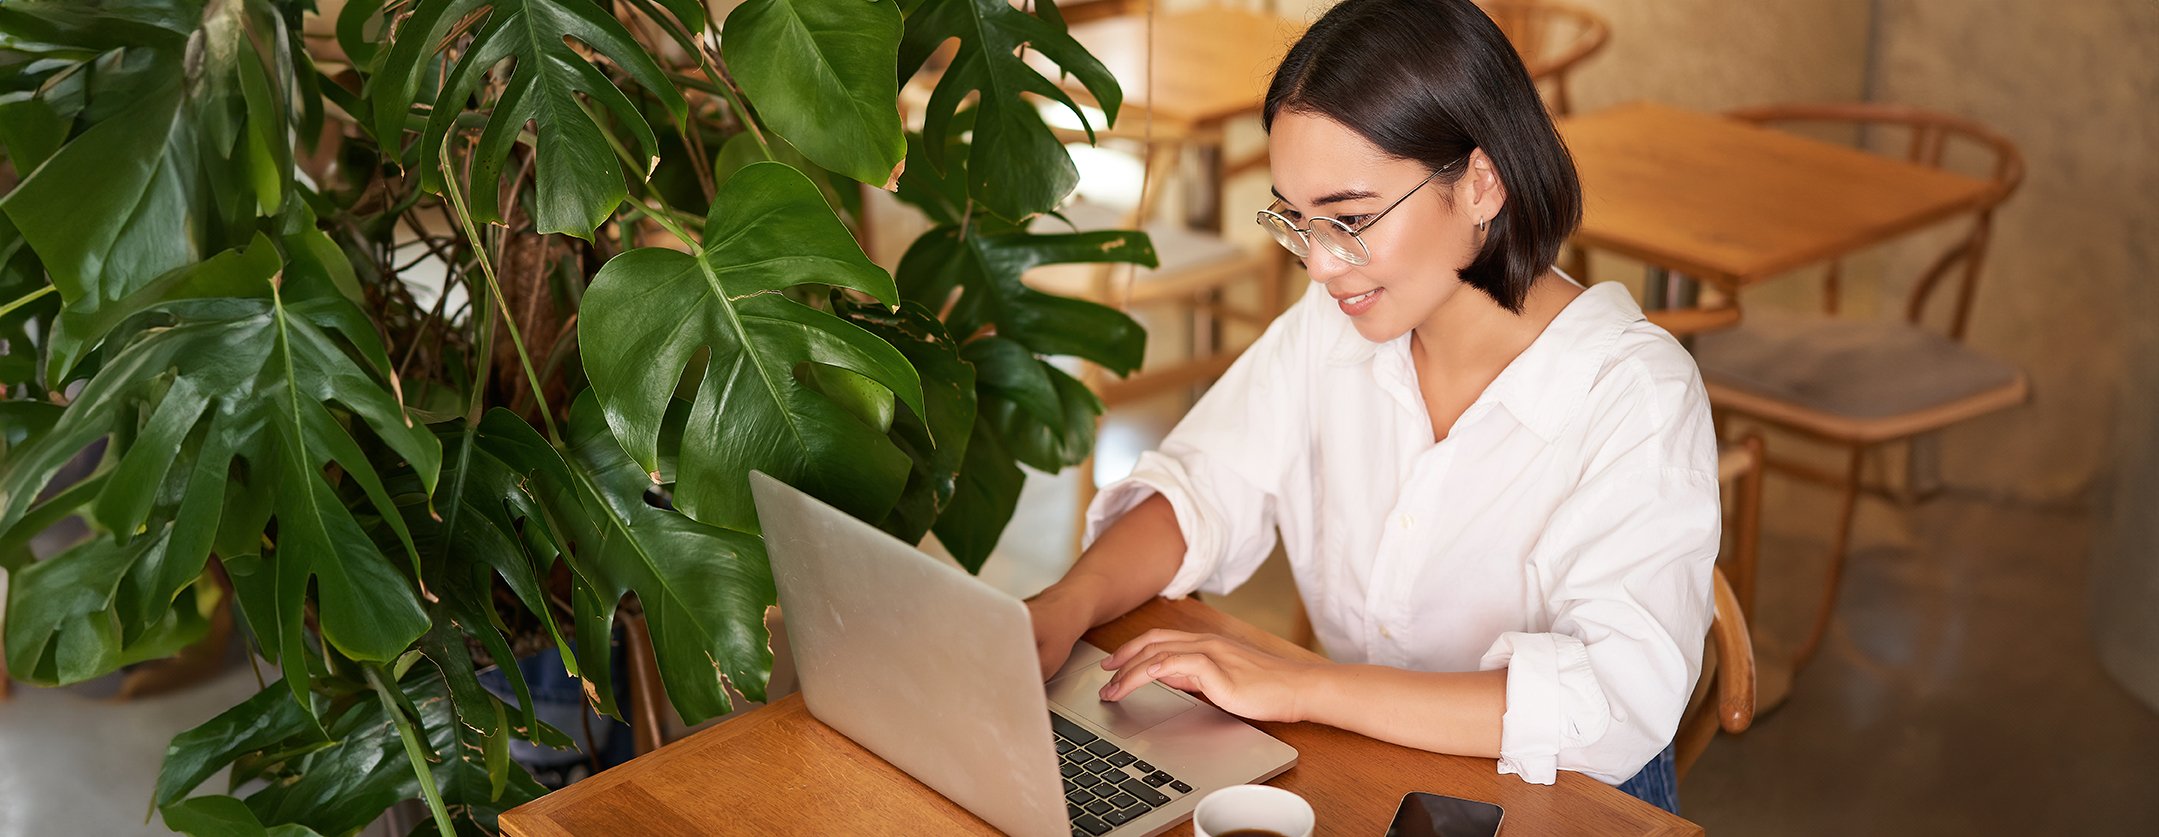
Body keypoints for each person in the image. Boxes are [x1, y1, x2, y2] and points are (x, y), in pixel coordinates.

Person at [1022, 0, 1720, 815]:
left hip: (1566, 801)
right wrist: (1062, 608)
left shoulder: (1634, 395)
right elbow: (1204, 483)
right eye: (1296, 219)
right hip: (1380, 764)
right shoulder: (1336, 327)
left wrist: (1302, 685)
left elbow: (1610, 704)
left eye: (1349, 219)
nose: (1318, 265)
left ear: (1481, 182)